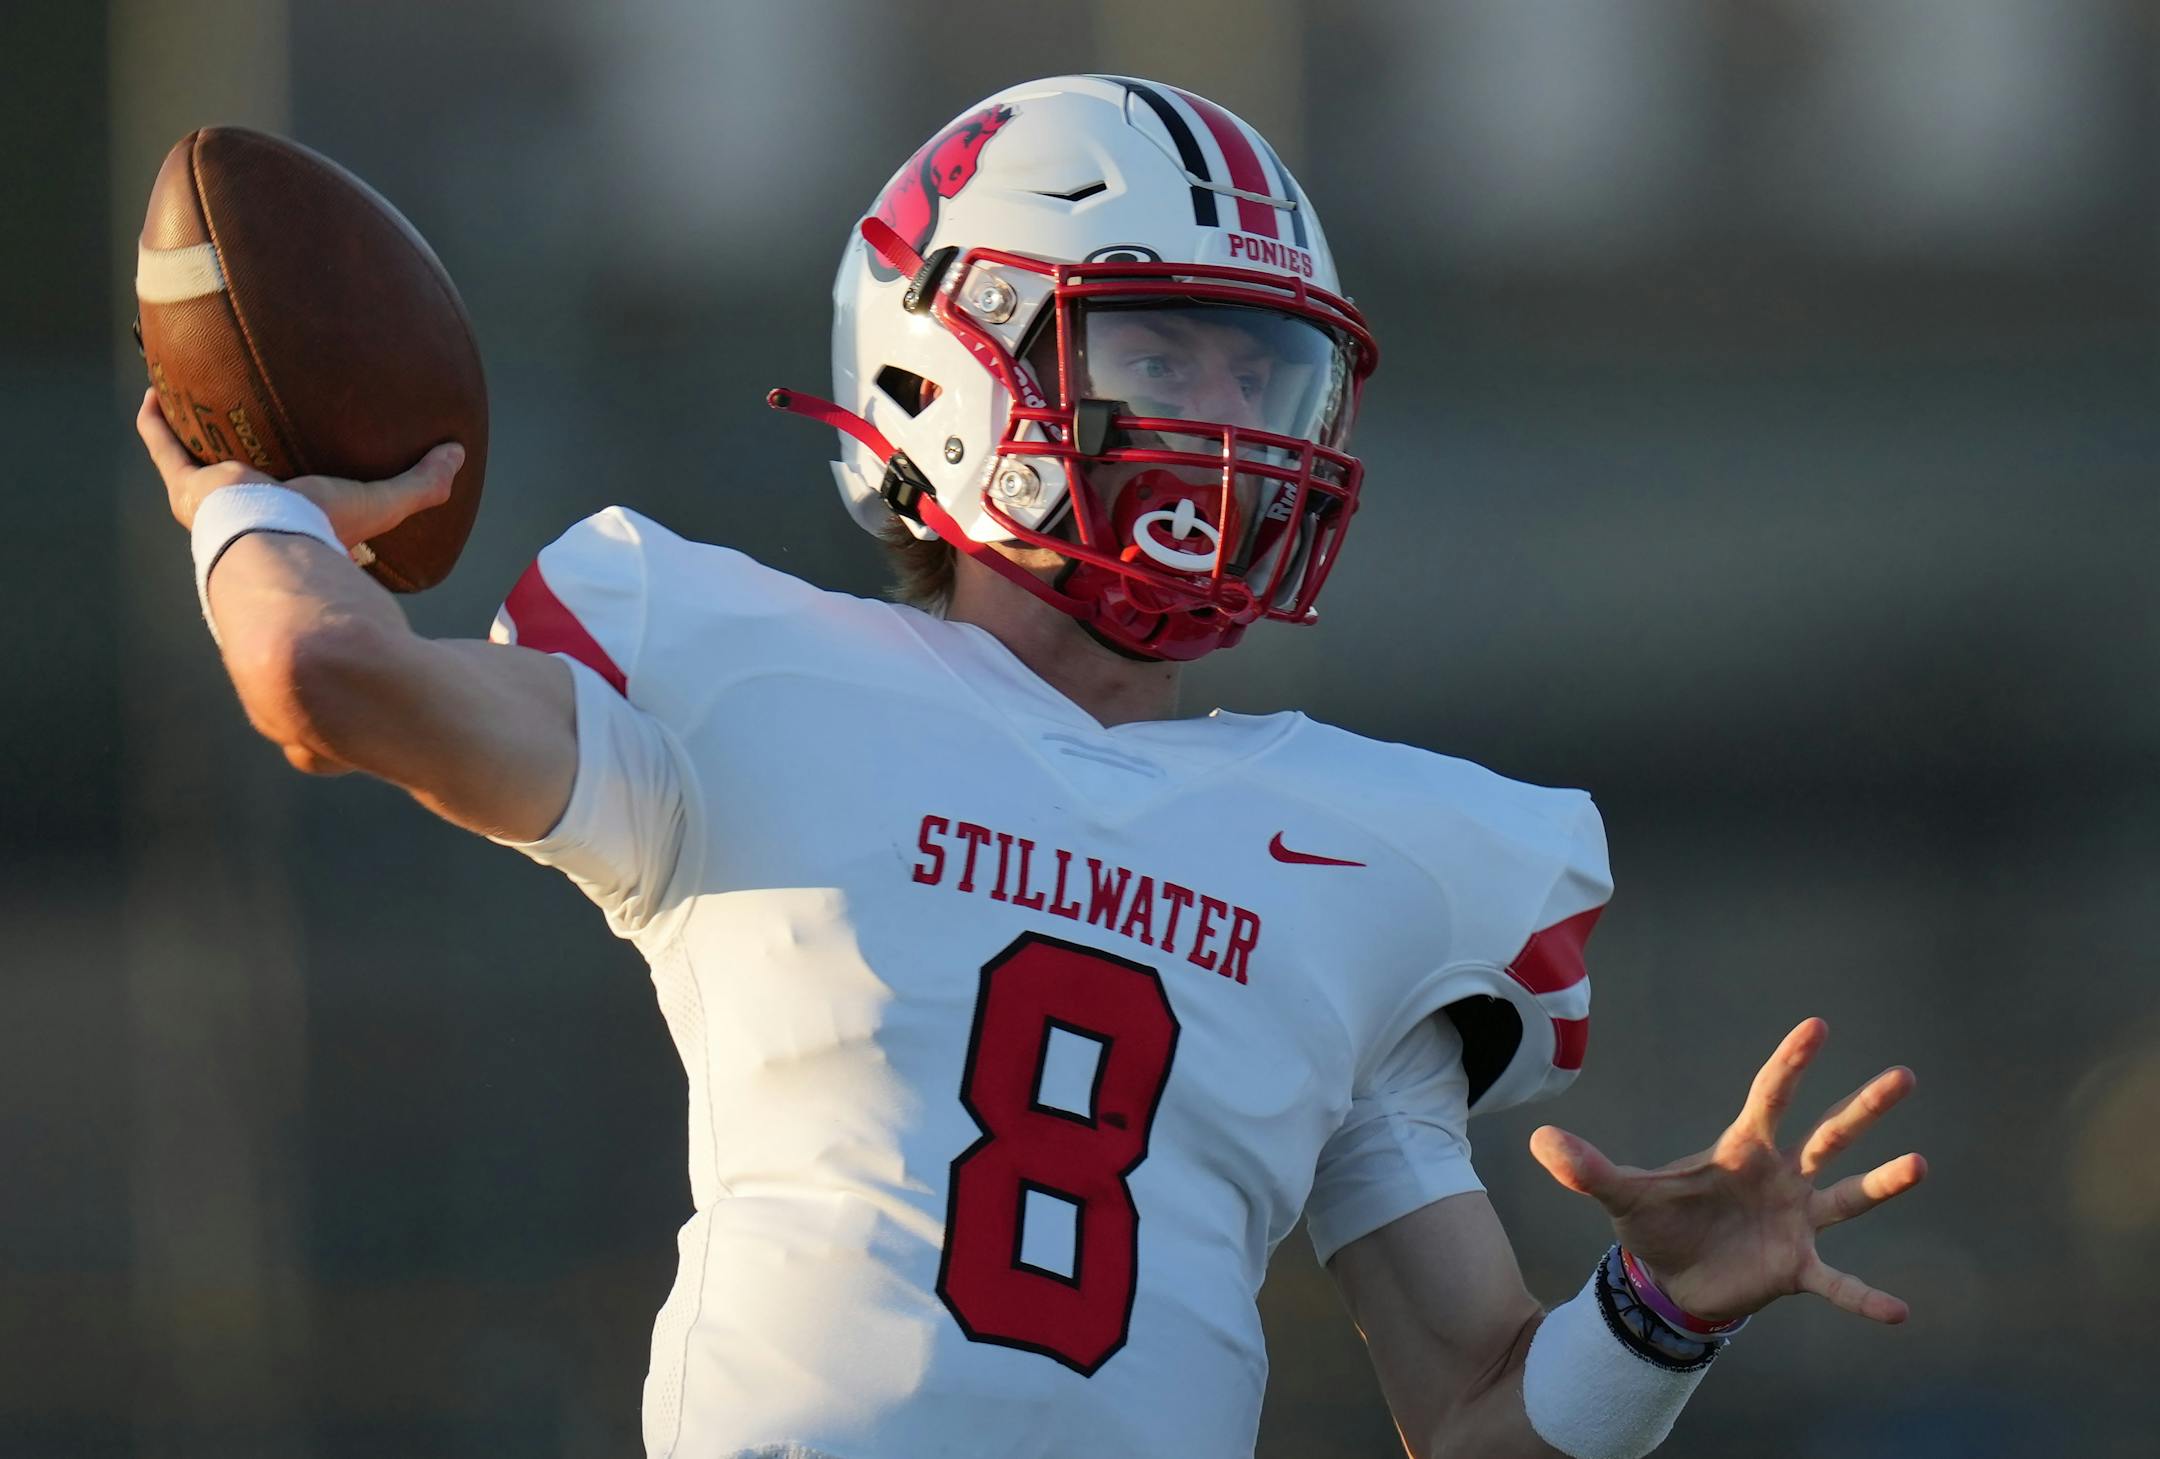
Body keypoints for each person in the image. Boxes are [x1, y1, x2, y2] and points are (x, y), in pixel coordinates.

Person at [137, 75, 1926, 1459]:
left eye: (1263, 371)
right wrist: (244, 492)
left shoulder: (1374, 855)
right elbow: (317, 671)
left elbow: (1472, 1414)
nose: (1230, 428)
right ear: (949, 361)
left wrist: (1653, 1315)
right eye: (1166, 352)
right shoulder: (734, 678)